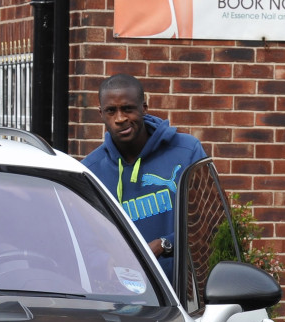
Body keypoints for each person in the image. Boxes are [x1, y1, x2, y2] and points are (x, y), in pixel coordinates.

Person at [83, 73, 206, 281]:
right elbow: (85, 239)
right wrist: (106, 265)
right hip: (124, 296)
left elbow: (206, 222)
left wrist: (164, 245)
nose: (120, 118)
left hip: (185, 294)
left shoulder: (186, 151)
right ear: (101, 114)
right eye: (111, 111)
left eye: (128, 109)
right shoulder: (91, 171)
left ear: (144, 108)